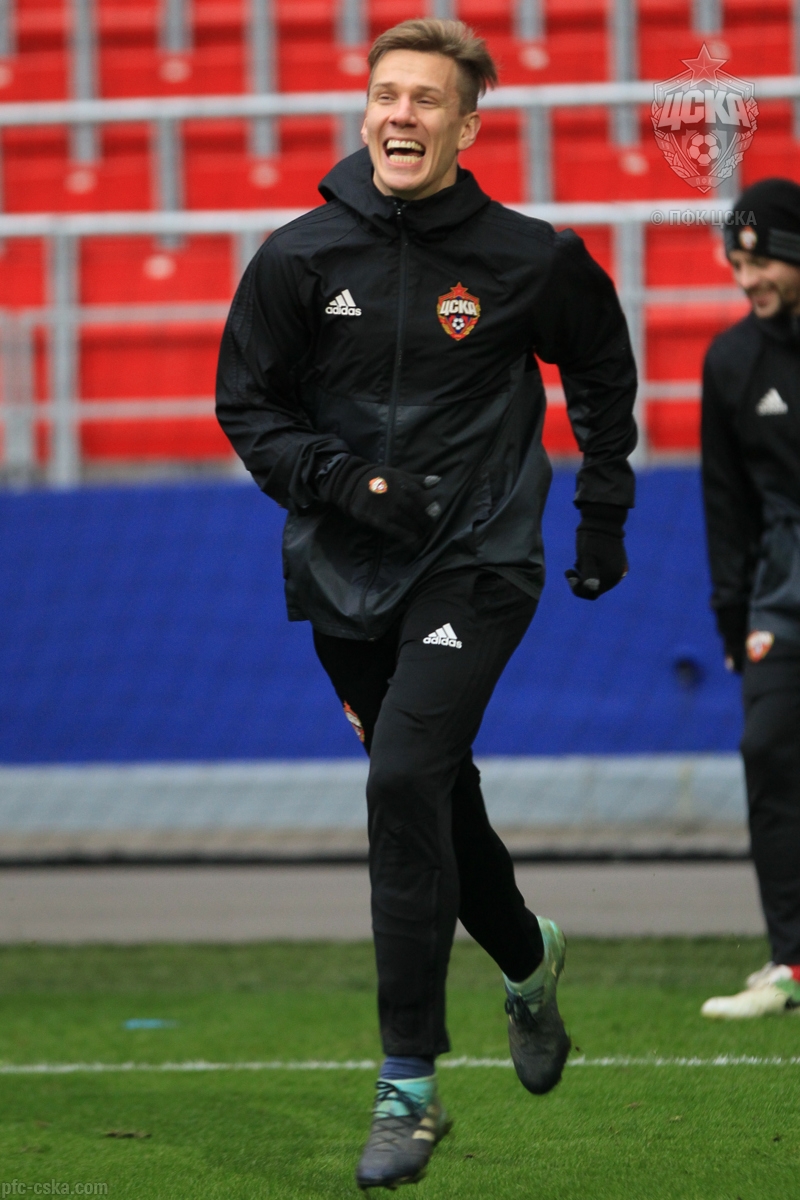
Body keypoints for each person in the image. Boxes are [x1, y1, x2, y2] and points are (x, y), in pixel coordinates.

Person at [216, 18, 637, 1190]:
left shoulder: (529, 257)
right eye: (384, 94)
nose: (400, 114)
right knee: (433, 793)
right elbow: (246, 407)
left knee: (399, 778)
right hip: (343, 572)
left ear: (466, 125)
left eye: (425, 98)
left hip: (478, 561)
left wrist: (600, 508)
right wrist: (344, 481)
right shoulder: (297, 257)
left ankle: (407, 1087)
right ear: (365, 112)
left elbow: (599, 366)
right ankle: (527, 959)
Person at [700, 177, 800, 1020]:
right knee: (766, 750)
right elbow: (724, 500)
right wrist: (732, 616)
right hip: (782, 594)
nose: (747, 278)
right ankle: (790, 963)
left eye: (760, 259)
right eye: (737, 263)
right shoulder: (730, 360)